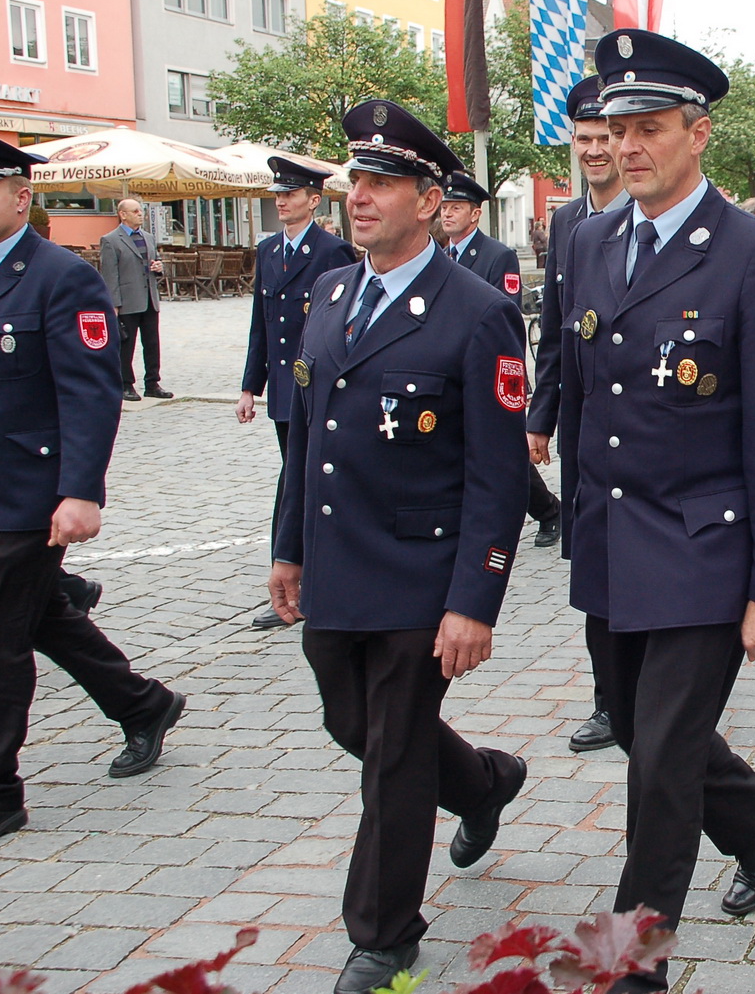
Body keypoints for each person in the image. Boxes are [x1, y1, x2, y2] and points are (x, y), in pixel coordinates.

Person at [555, 30, 755, 992]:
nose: (628, 147)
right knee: (637, 728)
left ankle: (632, 964)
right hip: (617, 543)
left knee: (659, 763)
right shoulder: (589, 240)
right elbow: (584, 392)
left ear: (698, 133)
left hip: (707, 549)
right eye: (615, 128)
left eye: (650, 128)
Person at [267, 100, 530, 994]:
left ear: (430, 198)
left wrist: (473, 602)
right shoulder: (331, 290)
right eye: (356, 181)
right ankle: (487, 781)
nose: (359, 198)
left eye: (381, 183)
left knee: (392, 753)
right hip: (337, 568)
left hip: (420, 577)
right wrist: (288, 547)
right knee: (360, 726)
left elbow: (496, 477)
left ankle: (383, 932)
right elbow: (307, 436)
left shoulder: (475, 312)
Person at [0, 126, 184, 854]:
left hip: (32, 494)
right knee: (36, 616)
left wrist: (81, 491)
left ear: (20, 198)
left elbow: (89, 395)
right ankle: (144, 703)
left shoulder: (60, 276)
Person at [528, 75, 631, 755]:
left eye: (605, 138)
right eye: (586, 139)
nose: (595, 151)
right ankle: (607, 700)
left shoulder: (647, 208)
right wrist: (541, 414)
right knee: (593, 569)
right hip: (585, 425)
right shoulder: (567, 222)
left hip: (646, 417)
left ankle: (658, 689)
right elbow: (560, 331)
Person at [238, 158, 360, 632]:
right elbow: (260, 325)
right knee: (296, 479)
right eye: (278, 194)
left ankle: (300, 577)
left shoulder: (332, 252)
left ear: (314, 200)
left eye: (291, 194)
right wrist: (252, 384)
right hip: (285, 389)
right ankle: (300, 574)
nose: (281, 201)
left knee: (302, 481)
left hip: (320, 386)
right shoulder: (268, 251)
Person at [442, 171, 562, 551]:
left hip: (490, 370)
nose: (447, 214)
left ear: (475, 214)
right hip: (448, 370)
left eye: (456, 208)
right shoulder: (438, 254)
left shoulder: (497, 256)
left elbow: (506, 317)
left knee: (505, 451)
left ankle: (548, 511)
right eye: (444, 207)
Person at [98, 199, 172, 402]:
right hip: (127, 301)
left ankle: (152, 383)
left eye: (141, 211)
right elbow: (110, 276)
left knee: (152, 343)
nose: (141, 214)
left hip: (149, 298)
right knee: (126, 344)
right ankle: (125, 384)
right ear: (123, 214)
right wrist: (114, 305)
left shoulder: (147, 237)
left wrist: (159, 268)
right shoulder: (111, 240)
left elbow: (155, 262)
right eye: (135, 211)